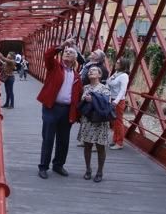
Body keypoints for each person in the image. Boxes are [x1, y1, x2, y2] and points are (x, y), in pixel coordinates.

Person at [36, 39, 82, 179]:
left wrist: (77, 115)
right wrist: (61, 46)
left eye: (71, 52)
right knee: (48, 138)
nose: (67, 52)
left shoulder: (77, 76)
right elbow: (48, 55)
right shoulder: (55, 67)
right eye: (66, 52)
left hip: (67, 110)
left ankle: (58, 165)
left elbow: (78, 96)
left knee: (64, 140)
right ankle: (43, 167)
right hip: (51, 107)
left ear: (75, 58)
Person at [78, 67, 112, 183]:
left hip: (100, 121)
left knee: (100, 147)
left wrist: (92, 99)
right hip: (88, 120)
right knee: (87, 145)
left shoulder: (104, 88)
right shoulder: (85, 87)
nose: (90, 71)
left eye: (94, 70)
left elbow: (106, 102)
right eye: (89, 71)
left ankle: (99, 171)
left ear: (100, 75)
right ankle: (88, 169)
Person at [107, 57, 130, 150]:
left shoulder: (124, 76)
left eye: (118, 63)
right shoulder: (116, 74)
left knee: (118, 121)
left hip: (118, 101)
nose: (115, 64)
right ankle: (115, 140)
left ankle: (119, 142)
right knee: (114, 121)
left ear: (122, 65)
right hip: (112, 99)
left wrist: (116, 101)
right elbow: (108, 82)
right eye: (116, 62)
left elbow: (123, 90)